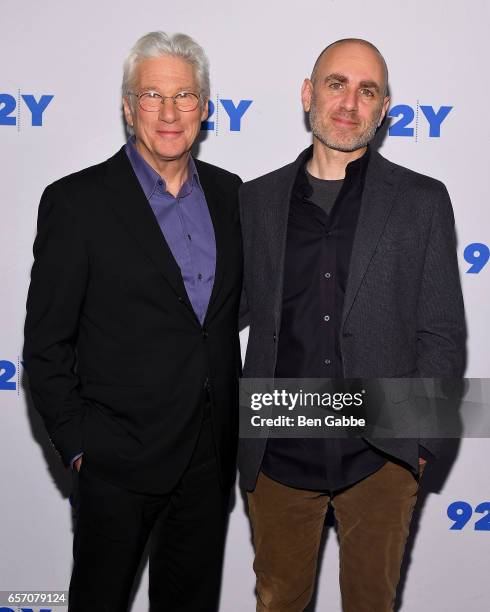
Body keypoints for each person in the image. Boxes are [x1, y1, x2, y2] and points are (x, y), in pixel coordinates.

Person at [238, 38, 465, 611]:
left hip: (381, 459)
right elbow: (220, 314)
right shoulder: (256, 201)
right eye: (336, 84)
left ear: (383, 109)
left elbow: (440, 332)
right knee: (277, 603)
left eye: (367, 91)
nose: (349, 103)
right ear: (308, 94)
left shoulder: (422, 200)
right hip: (278, 455)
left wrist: (417, 450)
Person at [24, 31, 242, 612]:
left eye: (185, 96)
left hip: (208, 458)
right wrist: (80, 447)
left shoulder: (232, 196)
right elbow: (46, 347)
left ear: (205, 107)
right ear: (127, 107)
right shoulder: (76, 202)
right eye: (152, 96)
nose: (170, 113)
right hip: (115, 462)